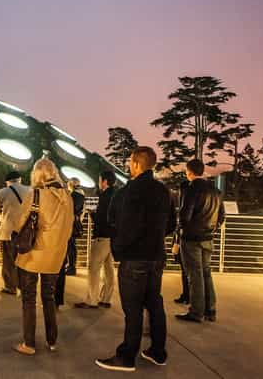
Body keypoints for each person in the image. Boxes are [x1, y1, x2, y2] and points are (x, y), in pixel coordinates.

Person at [96, 146, 176, 372]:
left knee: (132, 310)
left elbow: (115, 223)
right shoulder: (164, 192)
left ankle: (127, 356)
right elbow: (171, 224)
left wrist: (119, 250)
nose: (129, 165)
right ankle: (157, 351)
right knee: (155, 303)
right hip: (156, 257)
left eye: (131, 161)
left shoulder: (127, 192)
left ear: (137, 164)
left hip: (134, 259)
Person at [12, 158, 73, 355]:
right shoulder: (68, 197)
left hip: (34, 254)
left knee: (28, 298)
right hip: (56, 254)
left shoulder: (36, 194)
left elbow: (20, 222)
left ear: (37, 175)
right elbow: (69, 227)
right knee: (49, 296)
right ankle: (52, 340)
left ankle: (29, 344)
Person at [175, 159, 224, 323]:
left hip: (192, 238)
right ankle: (210, 309)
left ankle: (196, 312)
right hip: (208, 238)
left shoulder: (191, 189)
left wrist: (182, 228)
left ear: (188, 172)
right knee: (206, 273)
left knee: (194, 274)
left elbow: (185, 216)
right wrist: (210, 229)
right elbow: (221, 217)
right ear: (202, 171)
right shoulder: (215, 190)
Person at [75, 171, 117, 309]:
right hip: (113, 237)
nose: (99, 182)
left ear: (105, 181)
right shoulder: (116, 194)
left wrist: (92, 214)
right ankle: (106, 298)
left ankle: (91, 300)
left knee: (93, 268)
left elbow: (101, 218)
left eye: (100, 180)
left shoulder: (105, 197)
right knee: (109, 268)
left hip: (102, 236)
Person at [0, 171, 31, 295]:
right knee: (24, 260)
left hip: (7, 232)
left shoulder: (2, 192)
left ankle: (10, 286)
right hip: (25, 232)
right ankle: (24, 286)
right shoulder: (30, 191)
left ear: (7, 181)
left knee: (8, 260)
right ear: (19, 180)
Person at [172, 180, 191, 305]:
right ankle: (186, 295)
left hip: (187, 239)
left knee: (187, 271)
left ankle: (188, 296)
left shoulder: (187, 202)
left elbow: (183, 221)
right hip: (188, 237)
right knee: (186, 271)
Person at [65, 178, 85, 275]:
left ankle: (71, 267)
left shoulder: (74, 195)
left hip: (70, 223)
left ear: (71, 184)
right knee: (72, 245)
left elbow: (70, 209)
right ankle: (71, 266)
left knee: (70, 246)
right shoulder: (81, 194)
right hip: (75, 222)